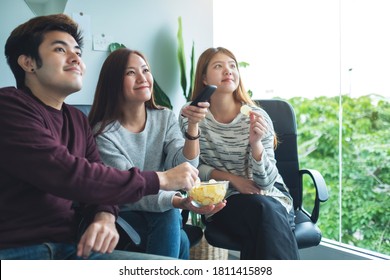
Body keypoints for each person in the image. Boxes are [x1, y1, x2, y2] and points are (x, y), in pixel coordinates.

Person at [0, 14, 199, 260]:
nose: (76, 59)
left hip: (75, 249)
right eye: (60, 49)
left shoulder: (76, 119)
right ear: (28, 63)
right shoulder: (10, 106)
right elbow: (68, 173)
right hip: (19, 251)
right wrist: (161, 179)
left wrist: (104, 216)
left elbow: (99, 187)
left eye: (77, 52)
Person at [88, 48, 225, 259]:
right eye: (130, 73)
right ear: (113, 82)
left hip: (161, 209)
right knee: (175, 227)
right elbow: (126, 191)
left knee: (178, 233)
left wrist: (193, 126)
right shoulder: (104, 135)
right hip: (123, 215)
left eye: (145, 70)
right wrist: (179, 202)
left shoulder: (165, 118)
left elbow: (183, 166)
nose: (142, 78)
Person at [179, 47, 300, 260]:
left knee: (263, 215)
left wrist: (256, 146)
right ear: (204, 78)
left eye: (232, 66)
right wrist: (233, 180)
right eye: (219, 66)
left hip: (271, 196)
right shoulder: (192, 115)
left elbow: (266, 184)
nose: (229, 71)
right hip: (225, 201)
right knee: (263, 216)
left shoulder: (257, 117)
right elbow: (191, 168)